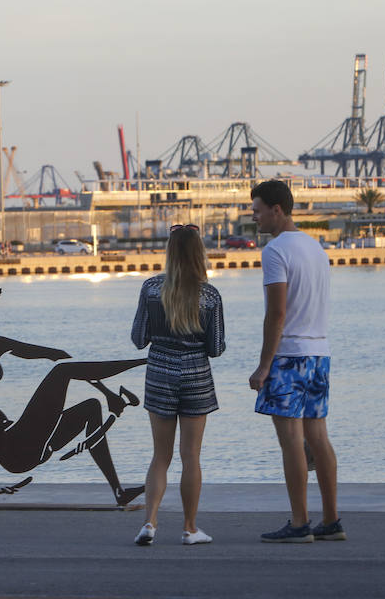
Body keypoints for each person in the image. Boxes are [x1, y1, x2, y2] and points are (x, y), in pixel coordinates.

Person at [0, 278, 145, 505]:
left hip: (25, 441)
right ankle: (143, 361)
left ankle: (118, 492)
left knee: (91, 407)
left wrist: (105, 392)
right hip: (12, 449)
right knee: (62, 373)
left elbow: (59, 355)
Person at [248, 180, 344, 543]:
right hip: (320, 352)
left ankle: (300, 522)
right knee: (319, 439)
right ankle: (332, 520)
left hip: (289, 356)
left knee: (291, 443)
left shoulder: (276, 250)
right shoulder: (316, 248)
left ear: (277, 209)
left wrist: (263, 366)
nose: (254, 217)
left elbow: (276, 313)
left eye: (257, 210)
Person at [130, 224, 225, 546]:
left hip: (160, 375)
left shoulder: (151, 289)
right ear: (199, 252)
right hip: (196, 375)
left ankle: (150, 523)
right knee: (191, 456)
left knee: (160, 456)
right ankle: (189, 528)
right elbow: (216, 347)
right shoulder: (209, 295)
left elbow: (138, 339)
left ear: (169, 253)